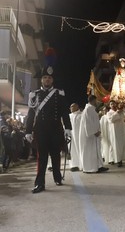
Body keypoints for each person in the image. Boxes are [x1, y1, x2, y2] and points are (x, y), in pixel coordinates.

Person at [25, 66, 72, 194]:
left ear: (52, 80)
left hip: (56, 129)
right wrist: (28, 131)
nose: (47, 80)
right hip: (40, 130)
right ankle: (39, 183)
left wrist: (68, 128)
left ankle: (57, 178)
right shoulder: (34, 94)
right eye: (45, 77)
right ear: (41, 80)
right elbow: (31, 114)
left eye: (49, 78)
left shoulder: (59, 93)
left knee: (56, 156)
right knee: (42, 158)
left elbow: (64, 112)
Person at [79, 95, 109, 173]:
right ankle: (90, 168)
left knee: (96, 151)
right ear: (93, 100)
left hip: (94, 134)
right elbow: (87, 122)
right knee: (90, 151)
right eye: (96, 101)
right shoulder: (88, 109)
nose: (97, 102)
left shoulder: (91, 109)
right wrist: (94, 132)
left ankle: (99, 166)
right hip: (90, 135)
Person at [107, 100, 125, 167]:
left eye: (114, 103)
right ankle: (118, 160)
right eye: (111, 104)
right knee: (116, 145)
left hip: (121, 130)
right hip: (114, 131)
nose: (113, 105)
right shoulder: (109, 113)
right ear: (109, 106)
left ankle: (120, 159)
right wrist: (117, 112)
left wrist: (124, 106)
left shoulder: (120, 111)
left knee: (121, 145)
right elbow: (111, 120)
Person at [69, 103, 82, 171]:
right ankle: (73, 165)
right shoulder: (69, 116)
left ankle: (81, 164)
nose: (70, 108)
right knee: (72, 150)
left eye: (72, 106)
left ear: (77, 107)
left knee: (79, 149)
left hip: (78, 135)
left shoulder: (81, 115)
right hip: (71, 136)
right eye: (70, 107)